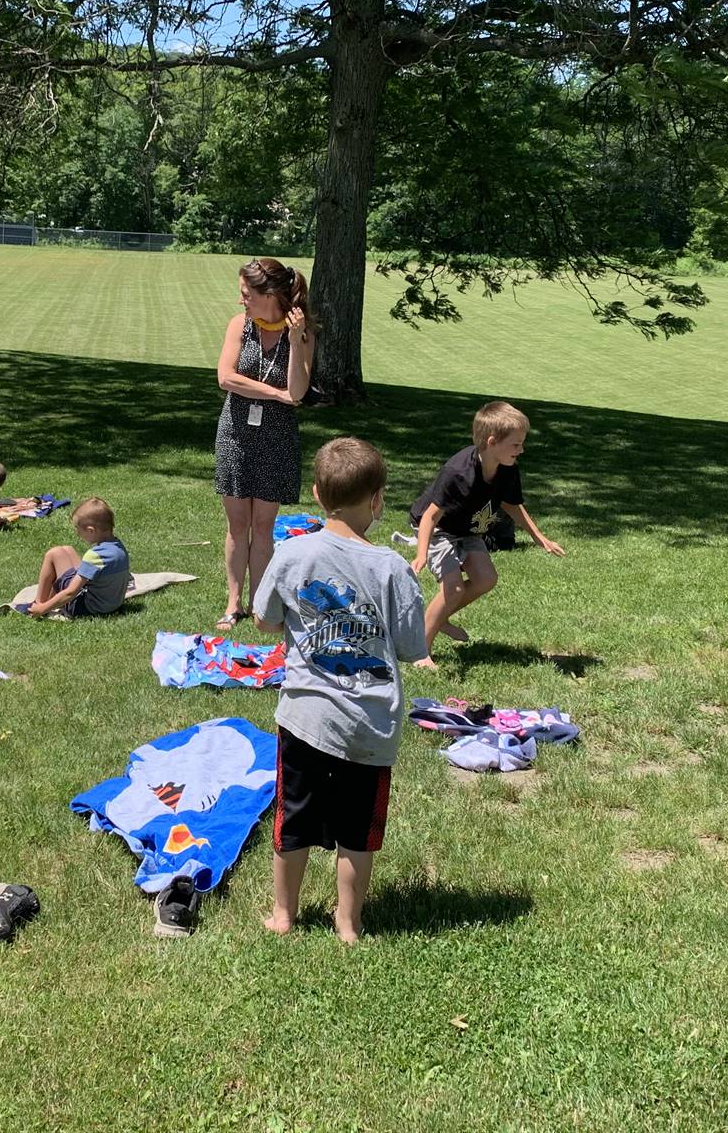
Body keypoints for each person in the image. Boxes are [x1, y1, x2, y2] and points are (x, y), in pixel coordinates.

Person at [253, 437, 426, 944]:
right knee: (358, 833)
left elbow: (264, 620)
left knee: (294, 818)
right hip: (370, 727)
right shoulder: (393, 568)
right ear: (378, 500)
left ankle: (284, 915)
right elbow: (413, 646)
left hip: (304, 718)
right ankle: (348, 925)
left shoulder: (291, 551)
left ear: (315, 493)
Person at [408, 401, 565, 662]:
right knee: (454, 589)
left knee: (486, 579)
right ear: (492, 442)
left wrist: (540, 538)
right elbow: (430, 517)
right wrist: (422, 554)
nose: (522, 450)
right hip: (439, 529)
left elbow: (512, 505)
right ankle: (420, 651)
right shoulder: (458, 473)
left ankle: (438, 616)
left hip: (467, 529)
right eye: (516, 444)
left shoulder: (508, 469)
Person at [214, 257, 315, 632]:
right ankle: (232, 602)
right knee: (237, 523)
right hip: (236, 432)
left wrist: (295, 342)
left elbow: (299, 390)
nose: (242, 301)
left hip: (276, 437)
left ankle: (261, 602)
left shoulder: (301, 332)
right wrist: (275, 393)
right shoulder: (239, 326)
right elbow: (226, 378)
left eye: (246, 294)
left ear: (269, 294)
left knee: (263, 523)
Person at [20, 497, 131, 619]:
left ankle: (37, 605)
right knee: (68, 549)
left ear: (90, 530)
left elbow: (70, 593)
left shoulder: (95, 555)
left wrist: (43, 609)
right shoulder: (119, 548)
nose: (77, 534)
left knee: (53, 554)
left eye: (78, 530)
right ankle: (44, 602)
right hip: (110, 605)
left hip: (86, 608)